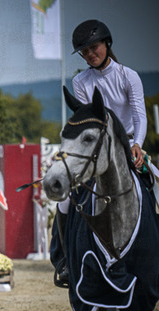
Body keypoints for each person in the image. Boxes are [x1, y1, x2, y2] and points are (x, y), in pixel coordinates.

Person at [52, 19, 148, 287]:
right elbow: (89, 121)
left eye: (94, 47)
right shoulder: (81, 81)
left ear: (107, 43)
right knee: (65, 200)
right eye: (85, 52)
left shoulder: (128, 76)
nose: (90, 54)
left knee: (156, 186)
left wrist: (138, 144)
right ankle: (65, 260)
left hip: (130, 145)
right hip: (99, 150)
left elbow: (139, 115)